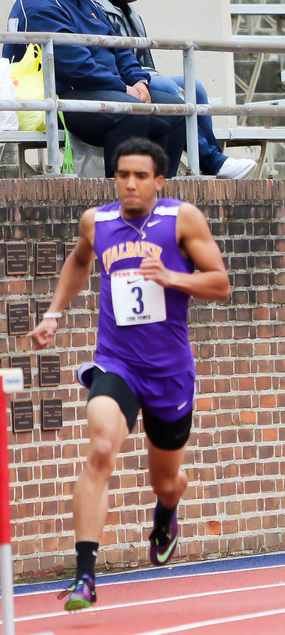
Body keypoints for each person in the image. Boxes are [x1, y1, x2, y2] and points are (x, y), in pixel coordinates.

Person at [29, 137, 231, 610]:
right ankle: (85, 576)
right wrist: (54, 313)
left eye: (142, 176)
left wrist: (173, 278)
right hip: (116, 363)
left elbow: (220, 283)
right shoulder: (95, 223)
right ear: (114, 178)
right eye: (123, 175)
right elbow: (79, 262)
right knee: (101, 447)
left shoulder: (181, 220)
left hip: (169, 373)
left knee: (165, 481)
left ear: (160, 180)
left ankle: (166, 512)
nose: (131, 184)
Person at [3, 0, 185, 177]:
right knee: (129, 111)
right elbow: (75, 66)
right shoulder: (41, 2)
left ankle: (158, 201)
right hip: (61, 97)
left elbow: (118, 45)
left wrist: (137, 80)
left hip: (104, 89)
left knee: (176, 110)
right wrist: (124, 89)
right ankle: (120, 203)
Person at [86, 0, 254, 179]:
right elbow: (110, 60)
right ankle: (212, 160)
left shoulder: (130, 12)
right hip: (119, 84)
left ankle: (210, 159)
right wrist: (163, 86)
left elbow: (145, 61)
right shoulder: (94, 7)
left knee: (193, 85)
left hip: (140, 76)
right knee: (170, 89)